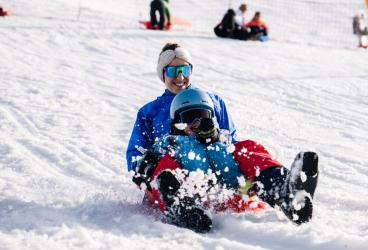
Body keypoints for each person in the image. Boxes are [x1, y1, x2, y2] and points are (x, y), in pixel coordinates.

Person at [133, 88, 319, 233]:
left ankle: (286, 193)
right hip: (196, 199)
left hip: (237, 196)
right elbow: (149, 166)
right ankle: (181, 207)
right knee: (166, 167)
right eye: (190, 119)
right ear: (177, 124)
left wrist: (214, 139)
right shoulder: (171, 146)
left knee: (247, 149)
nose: (198, 124)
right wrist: (148, 165)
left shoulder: (224, 143)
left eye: (204, 117)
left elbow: (243, 155)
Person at [126, 43, 237, 172]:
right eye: (172, 71)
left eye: (184, 70)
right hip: (173, 174)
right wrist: (146, 168)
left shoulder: (213, 102)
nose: (180, 77)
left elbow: (232, 140)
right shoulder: (150, 112)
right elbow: (135, 153)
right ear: (163, 74)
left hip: (217, 169)